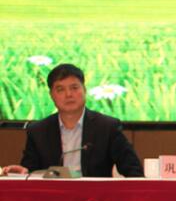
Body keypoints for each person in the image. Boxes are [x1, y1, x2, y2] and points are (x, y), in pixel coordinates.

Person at [2, 63, 143, 178]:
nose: (68, 94)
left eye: (74, 88)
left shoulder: (107, 127)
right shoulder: (38, 131)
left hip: (94, 200)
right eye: (60, 89)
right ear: (51, 95)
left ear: (84, 90)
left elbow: (134, 171)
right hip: (52, 199)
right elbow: (31, 172)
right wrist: (23, 172)